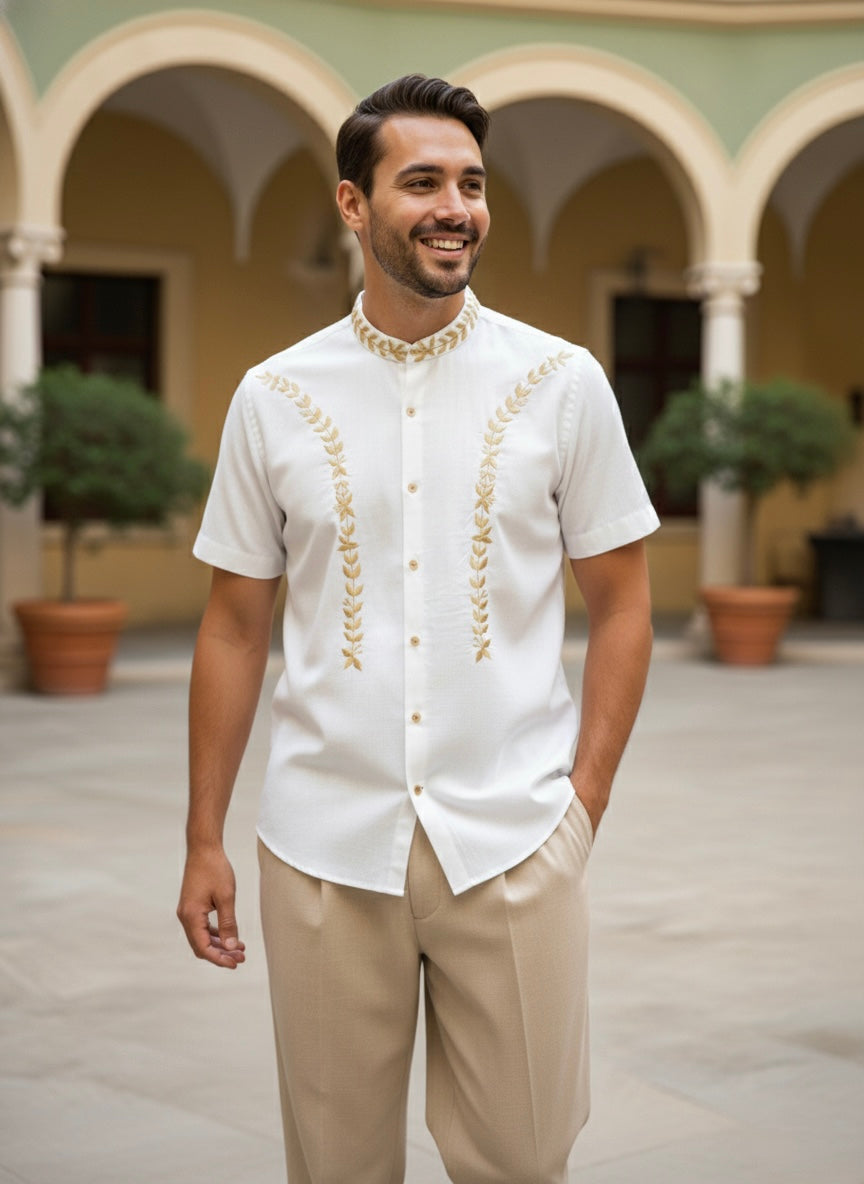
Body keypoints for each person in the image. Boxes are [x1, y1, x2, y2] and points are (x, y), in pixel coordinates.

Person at [177, 74, 659, 1184]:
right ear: (354, 204)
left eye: (473, 185)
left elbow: (624, 604)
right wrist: (204, 835)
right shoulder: (273, 396)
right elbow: (234, 627)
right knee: (335, 1165)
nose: (456, 208)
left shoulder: (562, 383)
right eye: (424, 182)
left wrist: (579, 807)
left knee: (523, 1160)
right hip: (322, 848)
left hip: (514, 841)